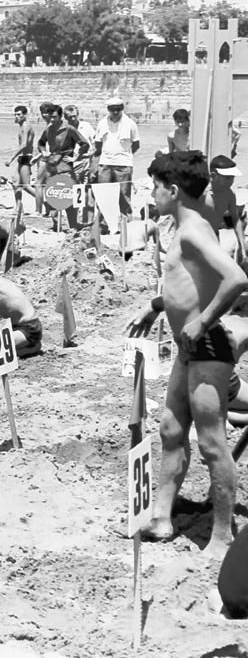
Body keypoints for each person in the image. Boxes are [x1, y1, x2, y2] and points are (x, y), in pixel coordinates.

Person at [126, 150, 248, 558]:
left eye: (155, 187)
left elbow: (235, 279)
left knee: (213, 443)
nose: (152, 194)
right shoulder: (184, 228)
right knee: (170, 430)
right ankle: (161, 516)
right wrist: (159, 305)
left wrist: (204, 321)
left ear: (173, 189)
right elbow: (190, 285)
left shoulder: (194, 229)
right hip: (187, 347)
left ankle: (222, 534)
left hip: (206, 346)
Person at [93, 97, 140, 217]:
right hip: (105, 164)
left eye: (118, 109)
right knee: (104, 195)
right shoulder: (102, 123)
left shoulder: (130, 124)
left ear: (122, 109)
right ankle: (104, 224)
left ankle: (125, 224)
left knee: (124, 196)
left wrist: (124, 155)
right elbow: (98, 144)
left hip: (124, 165)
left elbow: (136, 144)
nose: (115, 112)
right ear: (108, 109)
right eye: (113, 109)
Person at [203, 155, 245, 263]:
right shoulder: (201, 194)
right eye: (227, 178)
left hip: (214, 237)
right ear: (213, 176)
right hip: (197, 237)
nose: (231, 181)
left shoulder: (229, 194)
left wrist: (242, 246)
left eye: (233, 177)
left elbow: (236, 220)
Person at [5, 105, 35, 216]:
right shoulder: (22, 125)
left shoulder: (26, 126)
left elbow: (24, 144)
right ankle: (18, 208)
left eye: (19, 115)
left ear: (24, 115)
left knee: (26, 185)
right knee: (15, 183)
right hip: (21, 158)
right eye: (15, 114)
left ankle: (45, 202)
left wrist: (11, 158)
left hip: (26, 157)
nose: (16, 117)